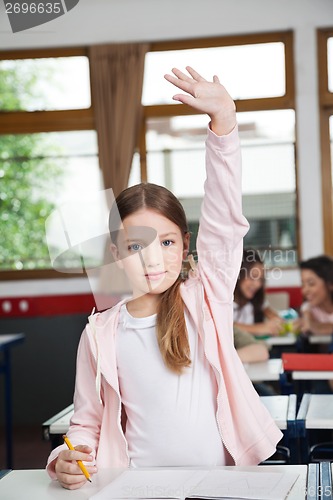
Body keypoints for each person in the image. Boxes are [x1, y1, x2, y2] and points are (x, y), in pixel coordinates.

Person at [46, 67, 282, 489]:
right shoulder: (99, 333)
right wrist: (68, 456)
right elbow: (86, 422)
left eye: (167, 243)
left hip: (219, 485)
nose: (153, 261)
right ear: (116, 253)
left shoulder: (206, 296)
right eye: (136, 246)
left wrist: (224, 125)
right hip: (136, 488)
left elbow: (224, 220)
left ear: (186, 244)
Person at [233, 248, 284, 337]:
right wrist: (259, 328)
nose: (257, 284)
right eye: (253, 277)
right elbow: (226, 326)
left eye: (261, 279)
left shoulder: (256, 299)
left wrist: (277, 323)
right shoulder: (225, 301)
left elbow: (274, 316)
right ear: (238, 274)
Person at [294, 255, 333, 336]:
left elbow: (311, 326)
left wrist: (312, 326)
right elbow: (308, 323)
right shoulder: (308, 308)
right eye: (303, 285)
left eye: (311, 283)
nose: (304, 290)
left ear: (330, 284)